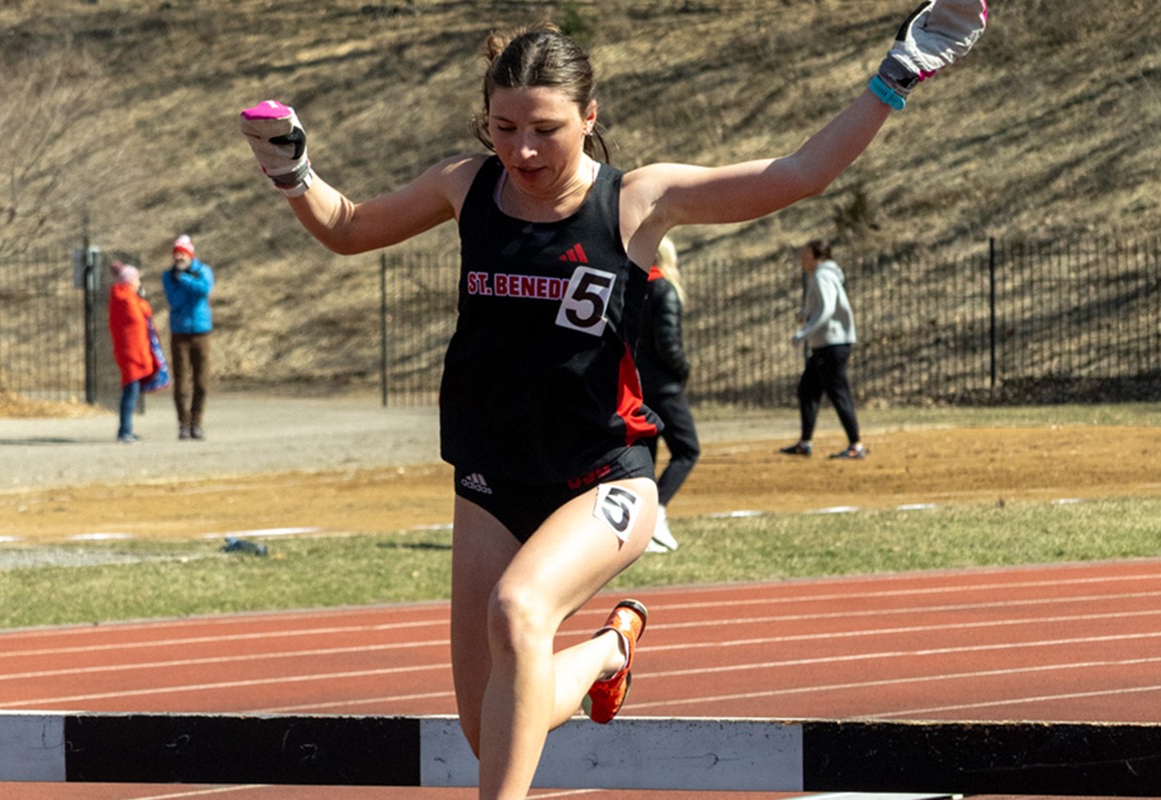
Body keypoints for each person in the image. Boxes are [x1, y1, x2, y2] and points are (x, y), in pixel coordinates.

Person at [239, 4, 983, 798]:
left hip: (603, 479)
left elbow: (796, 173)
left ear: (589, 117)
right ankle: (606, 653)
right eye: (504, 128)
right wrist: (292, 170)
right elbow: (350, 228)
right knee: (490, 727)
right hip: (490, 480)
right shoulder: (465, 184)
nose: (523, 150)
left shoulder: (637, 200)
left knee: (517, 610)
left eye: (546, 130)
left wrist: (895, 77)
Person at [636, 236, 698, 552]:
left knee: (646, 456)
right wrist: (683, 370)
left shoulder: (633, 286)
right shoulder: (664, 289)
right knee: (687, 449)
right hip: (663, 386)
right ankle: (656, 513)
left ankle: (641, 526)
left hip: (637, 385)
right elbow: (668, 343)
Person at [780, 238, 866, 459]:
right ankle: (804, 443)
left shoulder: (822, 276)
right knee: (808, 390)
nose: (802, 258)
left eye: (806, 254)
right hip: (826, 345)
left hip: (832, 344)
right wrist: (806, 314)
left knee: (838, 393)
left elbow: (827, 309)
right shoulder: (825, 275)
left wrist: (803, 333)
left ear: (817, 256)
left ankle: (856, 445)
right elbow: (825, 307)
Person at [161, 234, 215, 440]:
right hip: (180, 333)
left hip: (202, 332)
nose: (178, 258)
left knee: (201, 382)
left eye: (182, 254)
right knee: (182, 382)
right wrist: (190, 287)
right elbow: (175, 300)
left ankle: (197, 422)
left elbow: (204, 290)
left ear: (190, 254)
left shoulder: (203, 271)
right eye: (175, 254)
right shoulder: (168, 276)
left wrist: (184, 279)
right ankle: (183, 423)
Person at [107, 261, 156, 444]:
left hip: (130, 350)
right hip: (131, 352)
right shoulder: (126, 298)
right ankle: (125, 430)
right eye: (136, 279)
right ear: (129, 281)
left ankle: (126, 429)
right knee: (130, 391)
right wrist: (141, 300)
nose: (139, 282)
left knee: (131, 391)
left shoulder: (124, 297)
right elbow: (140, 316)